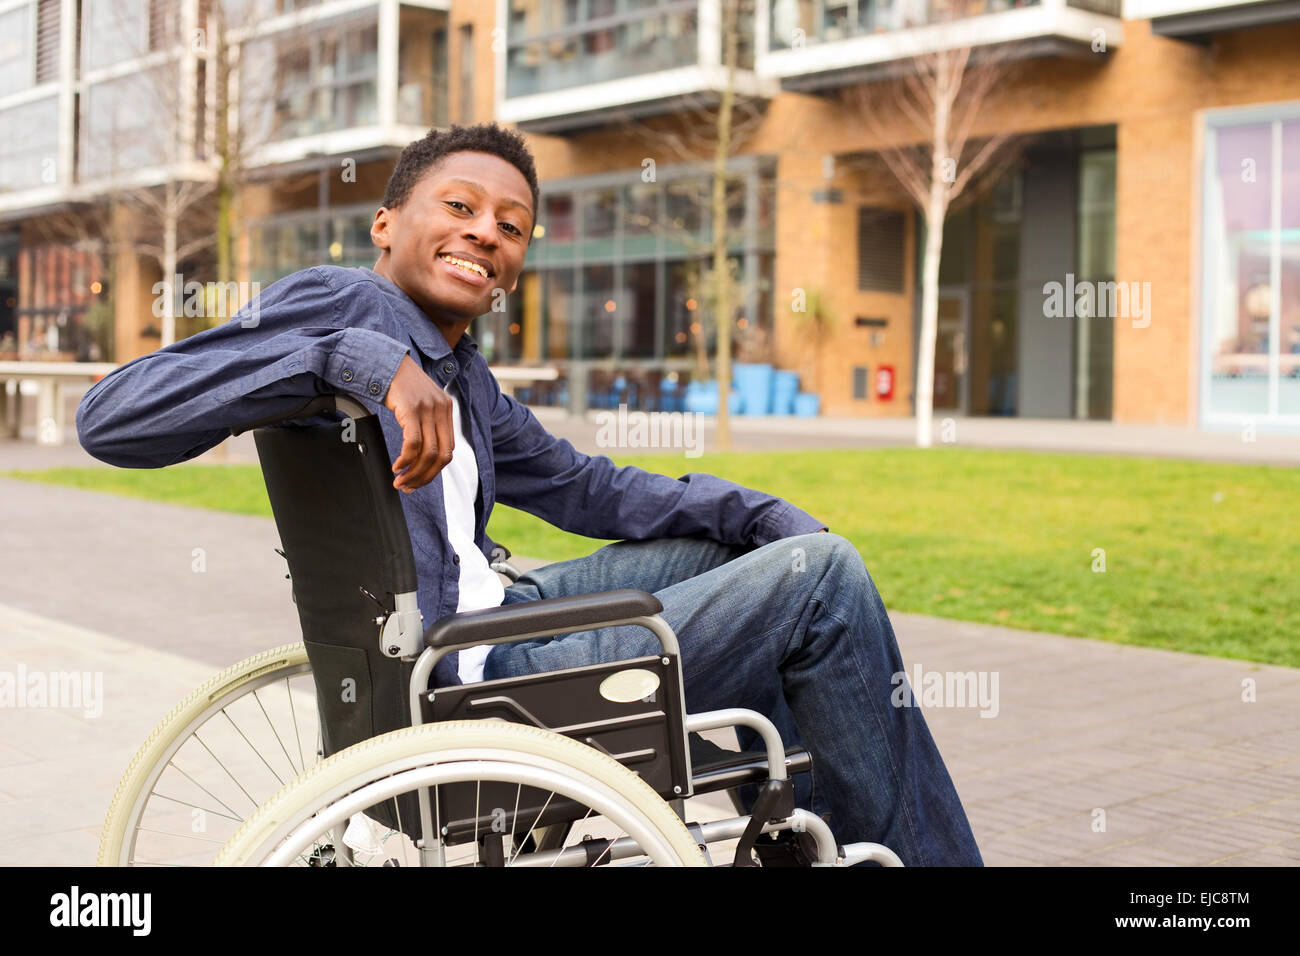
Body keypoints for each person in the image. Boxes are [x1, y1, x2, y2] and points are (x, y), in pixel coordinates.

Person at [76, 122, 981, 866]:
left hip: (500, 615)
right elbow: (111, 419)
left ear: (512, 268)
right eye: (460, 207)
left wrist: (762, 514)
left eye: (509, 228)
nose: (485, 234)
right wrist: (355, 359)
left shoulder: (463, 374)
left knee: (759, 554)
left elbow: (591, 490)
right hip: (475, 673)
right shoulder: (339, 304)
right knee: (823, 581)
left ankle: (796, 826)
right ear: (386, 223)